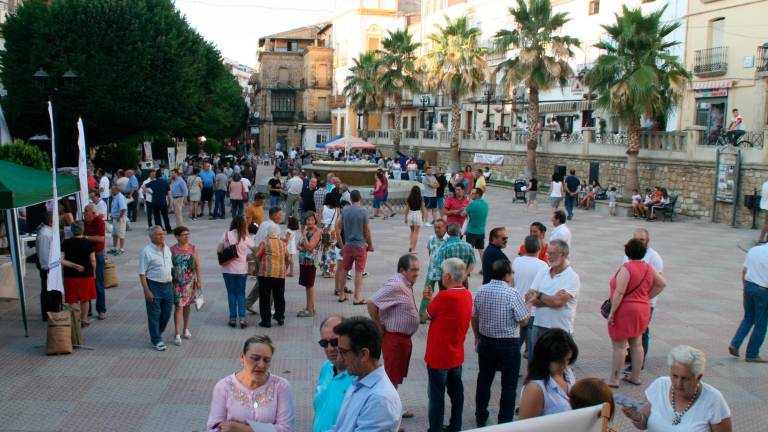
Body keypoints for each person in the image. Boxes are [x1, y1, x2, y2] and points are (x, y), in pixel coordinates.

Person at [472, 259, 530, 427]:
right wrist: (530, 304)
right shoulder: (513, 293)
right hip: (509, 345)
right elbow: (524, 320)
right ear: (506, 275)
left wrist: (477, 336)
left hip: (486, 341)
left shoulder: (481, 290)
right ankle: (504, 420)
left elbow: (474, 316)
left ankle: (480, 415)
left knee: (484, 380)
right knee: (509, 384)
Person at [622, 345, 732, 432]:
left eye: (685, 378)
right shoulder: (660, 385)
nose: (678, 383)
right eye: (674, 376)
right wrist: (636, 416)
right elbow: (643, 424)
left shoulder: (714, 400)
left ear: (698, 377)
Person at [607, 238, 667, 388]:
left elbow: (620, 292)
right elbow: (662, 283)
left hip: (625, 309)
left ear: (627, 251)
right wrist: (646, 297)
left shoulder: (626, 268)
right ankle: (636, 376)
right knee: (637, 343)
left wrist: (612, 312)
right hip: (642, 308)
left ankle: (614, 379)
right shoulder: (648, 267)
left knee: (620, 346)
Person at [368, 254, 421, 419]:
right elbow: (372, 303)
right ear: (402, 270)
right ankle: (388, 413)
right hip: (395, 339)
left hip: (402, 340)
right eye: (413, 270)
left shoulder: (405, 283)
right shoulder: (397, 284)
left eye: (418, 270)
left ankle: (394, 407)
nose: (417, 273)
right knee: (391, 377)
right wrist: (378, 325)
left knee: (395, 376)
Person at [207, 335, 295, 432]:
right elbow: (213, 428)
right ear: (242, 357)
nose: (261, 365)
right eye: (255, 358)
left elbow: (287, 429)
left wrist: (244, 429)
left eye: (266, 360)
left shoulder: (281, 387)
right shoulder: (223, 386)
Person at [424, 258, 473, 432]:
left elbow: (426, 315)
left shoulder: (444, 296)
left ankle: (435, 428)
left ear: (447, 276)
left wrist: (428, 299)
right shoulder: (467, 294)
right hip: (456, 354)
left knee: (437, 397)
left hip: (438, 356)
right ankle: (455, 425)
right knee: (456, 394)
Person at [331, 316, 402, 432]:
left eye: (343, 352)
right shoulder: (359, 382)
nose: (340, 358)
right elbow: (340, 428)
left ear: (364, 354)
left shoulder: (380, 399)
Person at [527, 240, 580, 346]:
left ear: (563, 255)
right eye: (547, 253)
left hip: (560, 329)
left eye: (551, 254)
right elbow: (529, 297)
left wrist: (539, 295)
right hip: (539, 325)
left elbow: (558, 303)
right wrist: (552, 299)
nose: (548, 256)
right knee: (536, 362)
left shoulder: (572, 277)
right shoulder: (543, 271)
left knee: (556, 362)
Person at [518, 328, 579, 419]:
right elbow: (525, 427)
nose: (565, 366)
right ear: (545, 359)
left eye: (568, 360)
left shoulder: (568, 373)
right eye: (560, 361)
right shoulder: (535, 389)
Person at [314, 315, 356, 432]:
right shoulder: (327, 367)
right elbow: (320, 412)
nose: (329, 348)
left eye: (334, 342)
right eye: (324, 343)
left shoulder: (358, 379)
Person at [728, 241, 768, 362]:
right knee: (761, 323)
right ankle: (752, 353)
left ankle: (735, 343)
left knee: (748, 317)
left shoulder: (754, 250)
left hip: (749, 286)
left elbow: (744, 270)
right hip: (763, 289)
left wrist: (745, 286)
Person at [513, 235, 550, 359]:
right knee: (533, 347)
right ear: (539, 248)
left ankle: (512, 369)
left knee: (516, 343)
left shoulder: (516, 261)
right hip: (533, 311)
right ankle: (532, 372)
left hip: (518, 308)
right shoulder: (543, 266)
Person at [138, 226, 174, 351]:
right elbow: (142, 273)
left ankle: (156, 332)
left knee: (167, 313)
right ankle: (156, 339)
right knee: (154, 314)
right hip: (154, 285)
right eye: (158, 234)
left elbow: (171, 268)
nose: (162, 236)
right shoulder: (146, 251)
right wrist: (146, 290)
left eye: (162, 233)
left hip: (168, 285)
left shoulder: (167, 249)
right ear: (152, 237)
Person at [218, 215, 257, 329]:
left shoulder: (226, 235)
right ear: (243, 225)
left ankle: (232, 318)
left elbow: (219, 250)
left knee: (231, 293)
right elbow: (256, 250)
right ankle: (243, 319)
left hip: (227, 270)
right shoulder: (245, 237)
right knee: (241, 294)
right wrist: (247, 256)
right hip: (241, 270)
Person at [337, 190, 373, 304]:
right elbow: (366, 230)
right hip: (360, 246)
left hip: (348, 244)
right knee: (359, 272)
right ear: (360, 198)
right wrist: (370, 244)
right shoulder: (364, 211)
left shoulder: (345, 210)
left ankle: (341, 294)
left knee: (344, 270)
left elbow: (339, 227)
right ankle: (357, 298)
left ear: (350, 199)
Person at [245, 207, 284, 313]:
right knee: (270, 284)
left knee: (261, 283)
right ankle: (269, 308)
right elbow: (273, 244)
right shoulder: (274, 226)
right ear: (275, 215)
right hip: (266, 258)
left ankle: (247, 303)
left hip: (257, 253)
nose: (282, 216)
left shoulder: (263, 224)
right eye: (280, 214)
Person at [60, 221, 96, 327]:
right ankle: (84, 319)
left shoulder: (66, 242)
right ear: (83, 229)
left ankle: (75, 319)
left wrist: (74, 266)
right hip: (86, 275)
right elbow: (93, 260)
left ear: (71, 230)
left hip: (70, 275)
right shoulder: (88, 243)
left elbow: (61, 260)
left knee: (72, 299)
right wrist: (94, 272)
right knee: (85, 299)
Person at [171, 226, 202, 346]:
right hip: (177, 283)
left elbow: (197, 265)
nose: (187, 236)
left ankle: (186, 329)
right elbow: (170, 267)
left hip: (190, 282)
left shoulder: (193, 248)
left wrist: (199, 281)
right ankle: (177, 333)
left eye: (188, 234)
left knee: (187, 306)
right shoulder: (172, 250)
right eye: (184, 234)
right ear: (177, 236)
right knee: (179, 306)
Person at [255, 225, 289, 328]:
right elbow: (287, 258)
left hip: (265, 274)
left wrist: (259, 266)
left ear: (268, 233)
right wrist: (284, 268)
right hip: (279, 274)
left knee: (265, 297)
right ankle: (280, 317)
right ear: (278, 233)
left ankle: (266, 321)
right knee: (279, 296)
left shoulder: (264, 243)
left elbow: (257, 256)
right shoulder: (283, 244)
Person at [430, 223, 476, 288]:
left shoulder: (444, 247)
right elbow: (472, 263)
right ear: (460, 232)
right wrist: (465, 274)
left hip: (448, 280)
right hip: (462, 279)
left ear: (448, 233)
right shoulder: (468, 246)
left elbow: (439, 265)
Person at [419, 219, 448, 323]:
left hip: (444, 273)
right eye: (435, 227)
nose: (436, 230)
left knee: (444, 295)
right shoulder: (431, 239)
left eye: (439, 227)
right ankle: (422, 317)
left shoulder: (449, 239)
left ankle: (442, 315)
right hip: (431, 271)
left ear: (445, 228)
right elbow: (430, 252)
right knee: (426, 293)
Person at [83, 204, 107, 320]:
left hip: (97, 255)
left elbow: (101, 238)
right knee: (86, 283)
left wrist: (86, 237)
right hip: (86, 256)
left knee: (98, 283)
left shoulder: (99, 222)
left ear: (93, 213)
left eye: (86, 212)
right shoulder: (83, 222)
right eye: (84, 212)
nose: (84, 214)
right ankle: (87, 310)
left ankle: (101, 310)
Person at [36, 213, 61, 320]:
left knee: (53, 289)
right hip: (48, 266)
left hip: (52, 265)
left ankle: (53, 309)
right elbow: (44, 252)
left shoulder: (48, 232)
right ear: (51, 222)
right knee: (48, 290)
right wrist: (47, 267)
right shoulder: (44, 234)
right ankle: (48, 312)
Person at [297, 212, 322, 318]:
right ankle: (310, 307)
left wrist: (304, 236)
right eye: (308, 220)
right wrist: (301, 246)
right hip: (304, 260)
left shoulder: (317, 232)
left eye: (312, 220)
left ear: (315, 220)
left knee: (310, 285)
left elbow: (310, 247)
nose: (310, 222)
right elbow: (299, 245)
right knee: (307, 285)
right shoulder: (307, 230)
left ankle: (310, 309)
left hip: (311, 261)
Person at [464, 188, 489, 265]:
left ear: (477, 194)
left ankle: (467, 268)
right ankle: (484, 267)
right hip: (481, 231)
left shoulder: (472, 204)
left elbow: (462, 213)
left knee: (469, 251)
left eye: (472, 193)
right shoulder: (485, 204)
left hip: (471, 231)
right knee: (481, 250)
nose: (471, 194)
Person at [147, 169, 173, 234]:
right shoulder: (165, 183)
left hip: (154, 202)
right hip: (163, 202)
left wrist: (150, 192)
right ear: (161, 176)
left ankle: (159, 230)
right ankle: (168, 229)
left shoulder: (152, 182)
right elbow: (169, 194)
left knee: (156, 216)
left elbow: (143, 186)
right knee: (165, 216)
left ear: (155, 176)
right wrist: (170, 203)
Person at [404, 185, 426, 254]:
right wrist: (423, 217)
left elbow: (406, 209)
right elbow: (423, 209)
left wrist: (405, 218)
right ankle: (413, 249)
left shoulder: (409, 198)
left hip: (410, 214)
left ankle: (411, 246)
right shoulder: (420, 199)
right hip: (417, 214)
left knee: (412, 231)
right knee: (416, 232)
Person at [109, 185, 128, 255]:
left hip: (119, 218)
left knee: (121, 233)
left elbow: (123, 209)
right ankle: (114, 248)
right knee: (115, 234)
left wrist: (119, 217)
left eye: (113, 190)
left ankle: (122, 249)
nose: (112, 191)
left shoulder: (120, 197)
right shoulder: (115, 197)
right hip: (115, 218)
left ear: (117, 190)